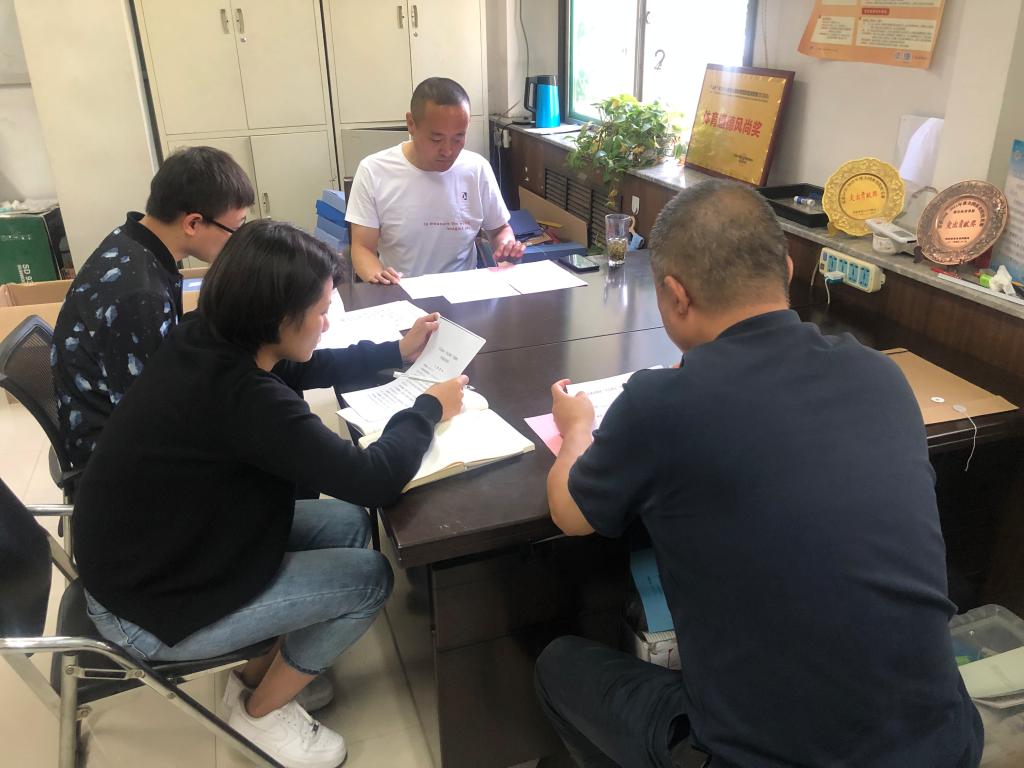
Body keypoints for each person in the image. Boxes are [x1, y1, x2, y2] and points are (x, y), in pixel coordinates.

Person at [536, 180, 982, 768]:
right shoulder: (879, 375)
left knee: (557, 664)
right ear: (788, 270)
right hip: (943, 743)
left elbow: (570, 515)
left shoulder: (661, 405)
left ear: (674, 295)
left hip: (769, 757)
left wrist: (576, 429)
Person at [71, 220, 467, 768]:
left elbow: (300, 364)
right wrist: (427, 409)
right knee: (371, 578)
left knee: (350, 523)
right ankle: (260, 714)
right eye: (320, 311)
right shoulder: (242, 398)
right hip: (148, 605)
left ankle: (269, 670)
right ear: (278, 317)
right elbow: (372, 477)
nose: (327, 322)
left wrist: (397, 350)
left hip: (162, 549)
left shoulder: (209, 334)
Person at [52, 146, 254, 468]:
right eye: (236, 228)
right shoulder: (139, 294)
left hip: (120, 414)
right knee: (261, 445)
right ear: (193, 223)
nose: (238, 239)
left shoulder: (132, 241)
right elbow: (149, 417)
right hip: (114, 459)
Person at [345, 77, 525, 284]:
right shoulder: (374, 171)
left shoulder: (476, 169)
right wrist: (379, 278)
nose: (447, 151)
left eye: (458, 138)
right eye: (436, 139)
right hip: (402, 289)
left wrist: (505, 246)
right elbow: (363, 248)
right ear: (411, 124)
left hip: (464, 290)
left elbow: (500, 229)